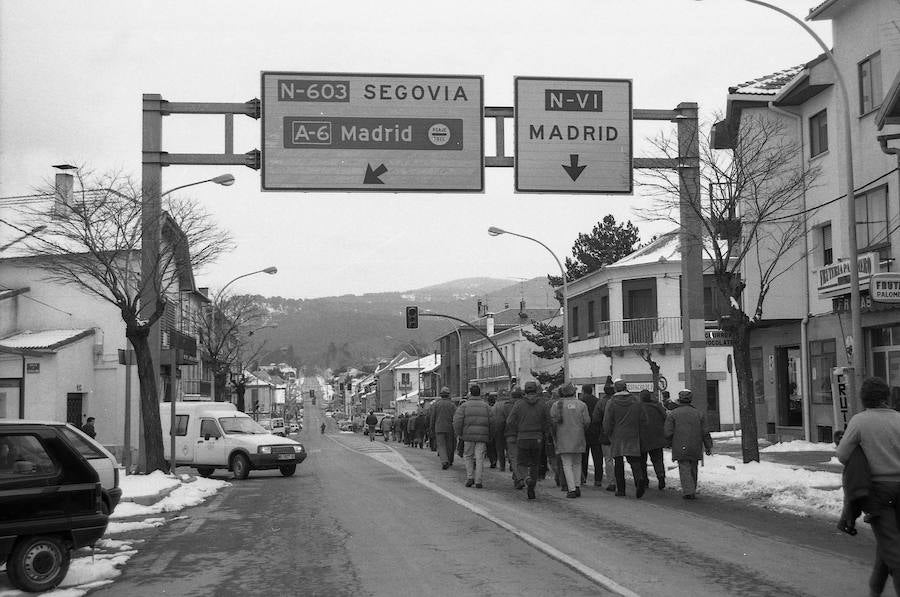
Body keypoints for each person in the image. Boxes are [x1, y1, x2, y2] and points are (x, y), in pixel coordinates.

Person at [835, 377, 900, 597]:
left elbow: (843, 455)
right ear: (886, 397)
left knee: (892, 549)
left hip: (877, 492)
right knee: (888, 543)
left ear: (864, 399)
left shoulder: (860, 421)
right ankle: (875, 592)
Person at [664, 389, 713, 500]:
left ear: (680, 399)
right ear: (690, 399)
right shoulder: (699, 413)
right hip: (695, 445)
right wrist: (708, 446)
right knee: (693, 467)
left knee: (684, 467)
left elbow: (668, 432)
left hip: (680, 445)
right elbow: (705, 432)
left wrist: (668, 442)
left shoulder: (673, 414)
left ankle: (688, 491)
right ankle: (692, 489)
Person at [506, 380, 551, 500]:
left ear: (524, 392)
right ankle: (533, 484)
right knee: (535, 463)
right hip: (537, 438)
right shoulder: (542, 404)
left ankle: (526, 478)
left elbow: (510, 421)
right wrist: (545, 433)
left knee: (521, 463)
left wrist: (518, 428)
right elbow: (548, 421)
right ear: (536, 391)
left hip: (522, 437)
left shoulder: (519, 404)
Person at [603, 379, 647, 498]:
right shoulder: (635, 401)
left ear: (615, 389)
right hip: (633, 434)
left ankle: (621, 489)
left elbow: (607, 421)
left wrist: (607, 433)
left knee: (618, 462)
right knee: (634, 460)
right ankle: (639, 479)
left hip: (617, 435)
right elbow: (643, 418)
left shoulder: (612, 402)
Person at [550, 383, 590, 498]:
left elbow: (553, 421)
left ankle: (571, 489)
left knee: (567, 464)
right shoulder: (582, 405)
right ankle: (577, 486)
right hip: (578, 437)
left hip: (563, 437)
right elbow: (587, 421)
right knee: (577, 463)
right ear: (573, 392)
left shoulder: (556, 405)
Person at [453, 384, 492, 488]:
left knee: (468, 456)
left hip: (468, 435)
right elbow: (492, 421)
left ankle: (470, 477)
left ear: (470, 393)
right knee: (479, 458)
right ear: (480, 393)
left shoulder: (464, 406)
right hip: (482, 437)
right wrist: (490, 434)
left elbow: (457, 421)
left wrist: (459, 433)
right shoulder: (486, 406)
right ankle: (479, 480)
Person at [639, 389, 668, 490]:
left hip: (642, 438)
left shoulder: (638, 407)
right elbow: (666, 417)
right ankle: (661, 477)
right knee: (658, 460)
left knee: (642, 461)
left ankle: (645, 480)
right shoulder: (657, 406)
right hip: (657, 437)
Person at [591, 379, 616, 491]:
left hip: (606, 434)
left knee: (608, 459)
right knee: (619, 458)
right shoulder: (622, 400)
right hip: (620, 434)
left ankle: (612, 482)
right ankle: (621, 481)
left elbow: (595, 419)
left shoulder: (601, 402)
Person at [579, 384, 602, 486]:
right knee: (597, 458)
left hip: (584, 432)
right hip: (596, 432)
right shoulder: (598, 401)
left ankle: (583, 478)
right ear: (592, 390)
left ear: (583, 391)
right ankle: (598, 479)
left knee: (584, 457)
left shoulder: (581, 402)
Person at [502, 387, 523, 488]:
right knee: (521, 458)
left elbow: (502, 421)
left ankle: (519, 478)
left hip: (510, 434)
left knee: (514, 458)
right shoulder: (524, 405)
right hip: (522, 434)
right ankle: (519, 476)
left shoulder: (506, 406)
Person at [432, 387, 457, 468]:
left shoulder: (436, 405)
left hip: (438, 428)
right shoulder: (452, 405)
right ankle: (449, 460)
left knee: (441, 445)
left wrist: (431, 427)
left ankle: (444, 461)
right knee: (450, 445)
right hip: (450, 428)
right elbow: (456, 417)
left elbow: (433, 417)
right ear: (448, 395)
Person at [491, 391, 509, 472]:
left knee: (500, 447)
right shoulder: (509, 404)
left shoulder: (496, 405)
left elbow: (492, 418)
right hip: (509, 427)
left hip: (498, 428)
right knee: (510, 447)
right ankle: (512, 464)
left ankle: (502, 466)